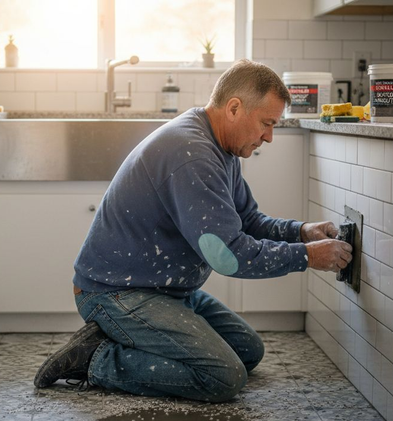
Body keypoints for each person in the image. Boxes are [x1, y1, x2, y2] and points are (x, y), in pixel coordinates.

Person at [34, 59, 352, 402]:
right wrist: (307, 257)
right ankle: (95, 359)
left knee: (248, 350)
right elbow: (229, 258)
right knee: (223, 376)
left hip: (166, 289)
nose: (269, 137)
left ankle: (127, 339)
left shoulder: (222, 149)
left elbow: (249, 222)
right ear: (234, 108)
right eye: (266, 123)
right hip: (115, 293)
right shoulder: (193, 156)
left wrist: (302, 232)